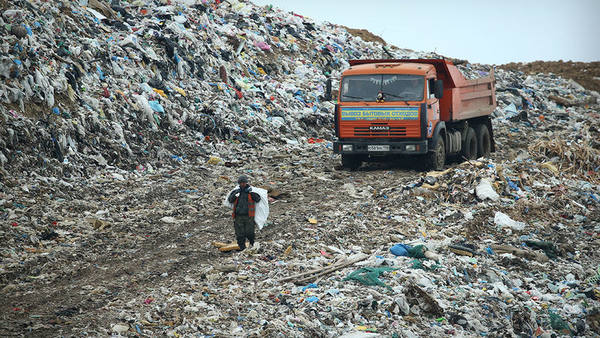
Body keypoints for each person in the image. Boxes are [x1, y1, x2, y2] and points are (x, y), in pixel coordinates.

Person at [227, 175, 261, 251]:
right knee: (240, 234)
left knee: (250, 233)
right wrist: (235, 195)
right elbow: (230, 200)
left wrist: (251, 193)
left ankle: (252, 245)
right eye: (241, 183)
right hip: (238, 216)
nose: (242, 184)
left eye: (244, 182)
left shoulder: (251, 191)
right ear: (239, 183)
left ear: (246, 182)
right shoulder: (236, 192)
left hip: (249, 216)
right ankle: (242, 249)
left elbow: (258, 199)